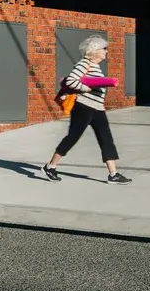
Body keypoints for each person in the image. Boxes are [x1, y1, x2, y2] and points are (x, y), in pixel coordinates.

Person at [42, 34, 128, 183]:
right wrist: (85, 89)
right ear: (95, 50)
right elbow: (70, 81)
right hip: (83, 106)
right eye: (104, 49)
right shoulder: (84, 64)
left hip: (98, 108)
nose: (106, 51)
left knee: (106, 139)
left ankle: (113, 174)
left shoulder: (96, 67)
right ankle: (50, 167)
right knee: (73, 137)